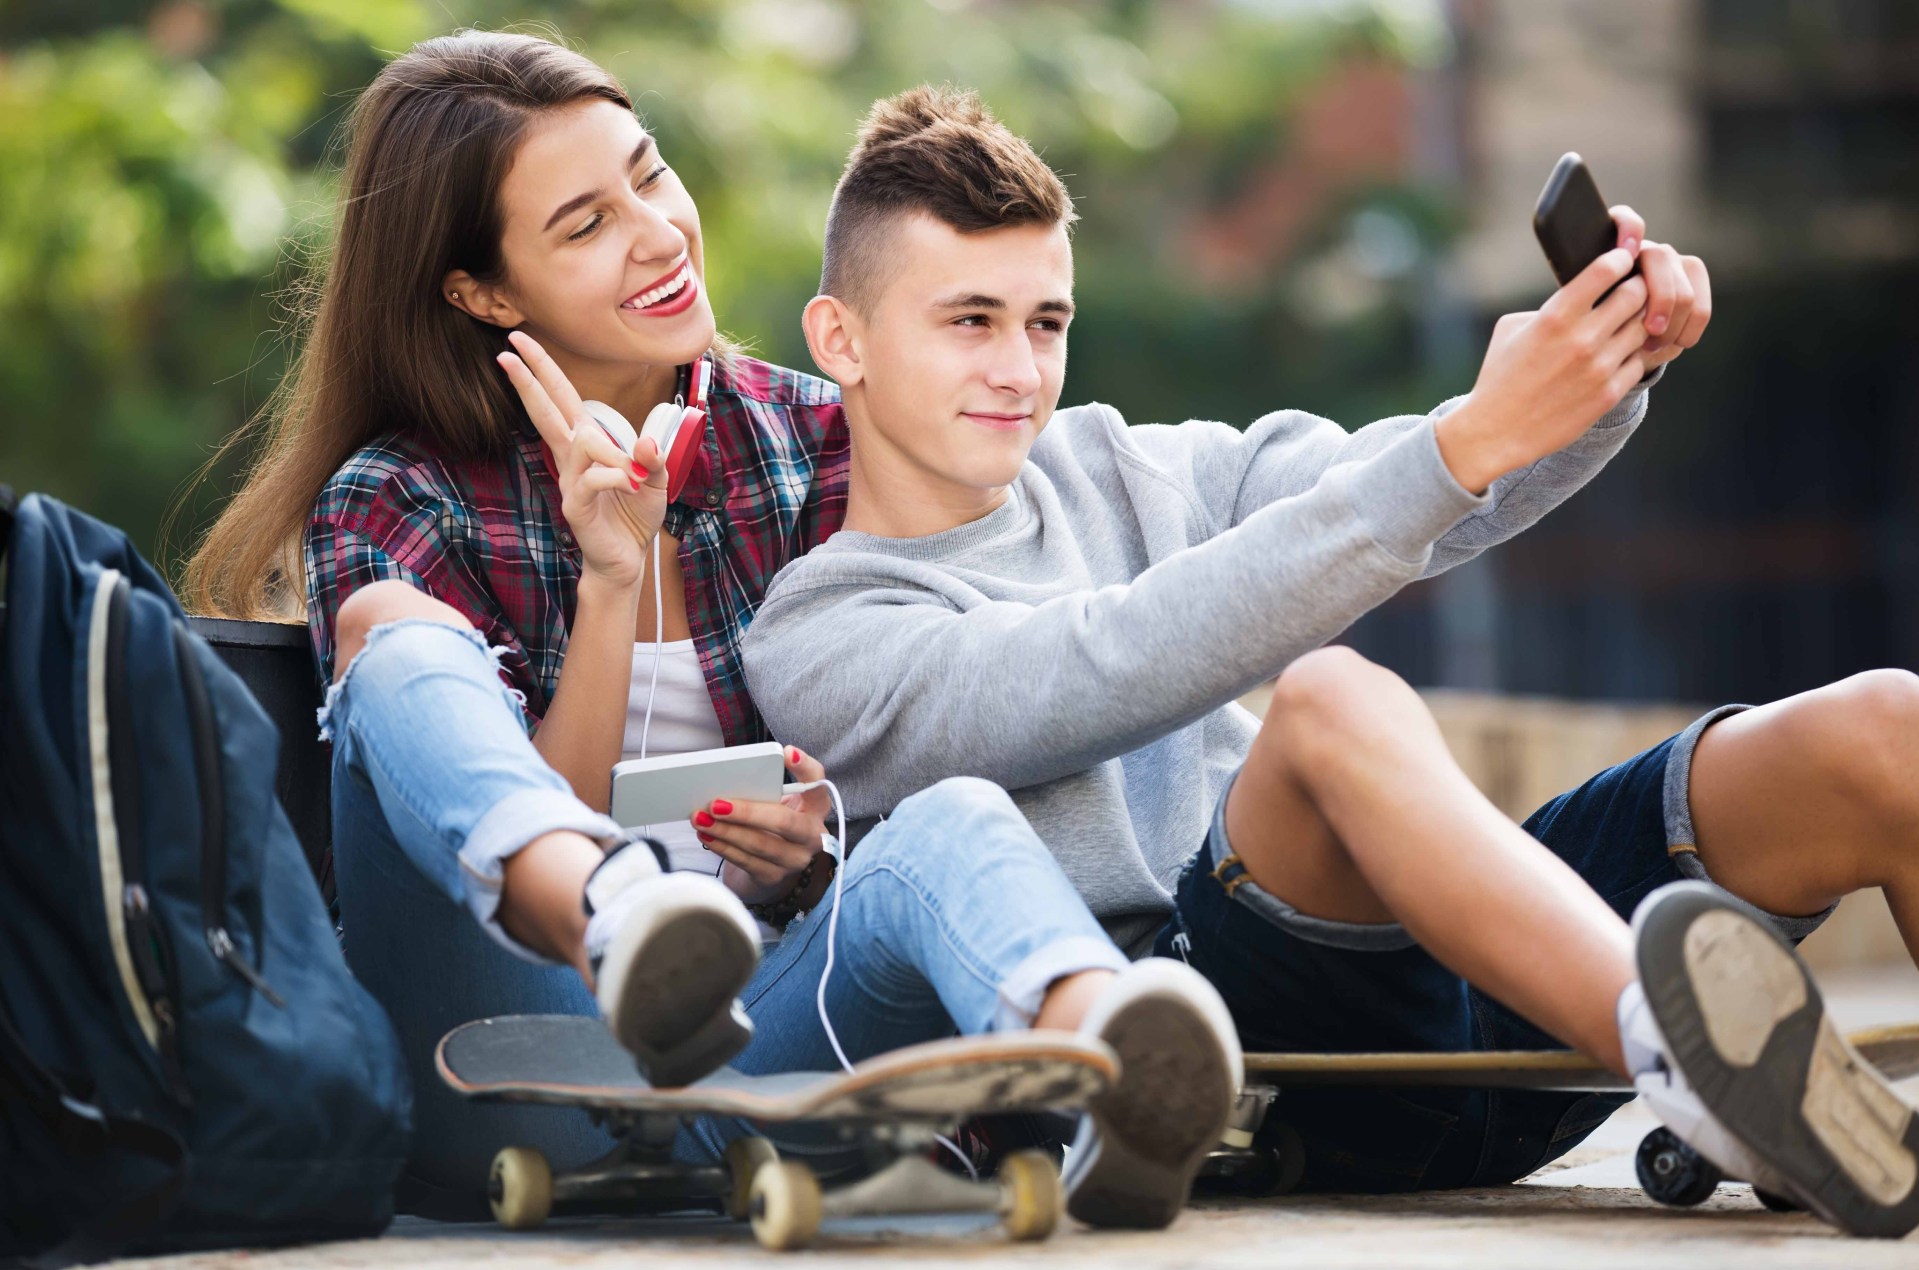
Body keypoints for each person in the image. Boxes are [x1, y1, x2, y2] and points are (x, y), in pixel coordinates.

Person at [740, 84, 1919, 1238]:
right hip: (1257, 1050)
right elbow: (1106, 662)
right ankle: (1697, 1063)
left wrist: (1596, 379)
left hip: (1477, 1000)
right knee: (1327, 700)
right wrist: (1470, 437)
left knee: (1880, 726)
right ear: (839, 337)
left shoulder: (1129, 465)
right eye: (969, 320)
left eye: (1044, 321)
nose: (1018, 369)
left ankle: (1709, 1067)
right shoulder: (822, 632)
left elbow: (1407, 495)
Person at [183, 32, 1239, 1224]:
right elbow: (465, 787)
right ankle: (614, 911)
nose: (655, 232)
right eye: (583, 226)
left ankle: (1114, 1060)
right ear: (483, 291)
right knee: (398, 648)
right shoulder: (397, 496)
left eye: (649, 173)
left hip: (760, 1042)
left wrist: (815, 850)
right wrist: (610, 574)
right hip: (501, 1048)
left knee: (947, 823)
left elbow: (924, 707)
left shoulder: (810, 438)